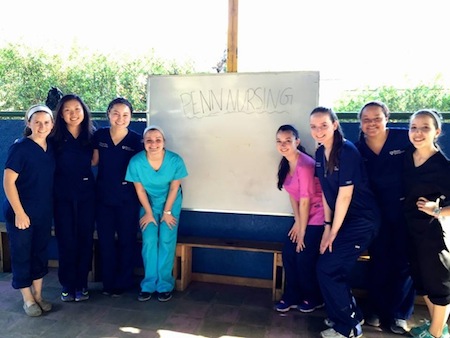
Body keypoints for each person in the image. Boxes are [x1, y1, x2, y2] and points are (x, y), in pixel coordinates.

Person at [309, 106, 380, 338]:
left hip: (362, 221)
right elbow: (328, 195)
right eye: (314, 127)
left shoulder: (347, 151)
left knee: (328, 268)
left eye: (324, 125)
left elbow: (345, 195)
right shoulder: (320, 154)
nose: (318, 131)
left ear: (335, 125)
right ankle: (351, 315)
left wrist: (333, 233)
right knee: (328, 267)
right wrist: (327, 227)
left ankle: (348, 328)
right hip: (341, 221)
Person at [355, 101, 415, 334]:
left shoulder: (405, 138)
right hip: (376, 215)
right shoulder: (358, 149)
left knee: (404, 263)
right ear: (360, 123)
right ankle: (377, 311)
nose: (371, 123)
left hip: (405, 211)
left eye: (376, 118)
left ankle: (400, 315)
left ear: (387, 118)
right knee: (379, 262)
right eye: (366, 119)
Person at [3, 104, 55, 316]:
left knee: (39, 252)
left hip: (43, 211)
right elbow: (8, 182)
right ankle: (27, 299)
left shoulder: (50, 148)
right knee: (22, 253)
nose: (42, 126)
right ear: (28, 124)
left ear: (52, 124)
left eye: (46, 122)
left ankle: (39, 295)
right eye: (37, 122)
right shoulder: (21, 148)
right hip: (21, 212)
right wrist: (19, 212)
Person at [125, 125, 188, 302]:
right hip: (148, 203)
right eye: (149, 140)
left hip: (171, 202)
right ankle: (148, 285)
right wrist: (149, 213)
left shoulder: (175, 160)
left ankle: (164, 285)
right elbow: (140, 190)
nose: (153, 144)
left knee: (167, 240)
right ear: (143, 142)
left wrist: (167, 211)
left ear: (164, 142)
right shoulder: (136, 162)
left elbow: (175, 187)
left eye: (158, 140)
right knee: (149, 240)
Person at [402, 109, 450, 338]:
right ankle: (437, 327)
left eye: (425, 127)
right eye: (414, 127)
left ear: (437, 132)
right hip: (411, 232)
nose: (418, 133)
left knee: (439, 286)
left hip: (432, 235)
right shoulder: (407, 157)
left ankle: (436, 334)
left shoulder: (442, 166)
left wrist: (438, 209)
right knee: (423, 282)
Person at [91, 97, 142, 296]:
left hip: (127, 198)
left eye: (125, 115)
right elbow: (93, 162)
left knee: (127, 240)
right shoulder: (99, 136)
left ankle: (124, 281)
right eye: (116, 113)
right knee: (105, 240)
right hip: (103, 197)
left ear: (131, 117)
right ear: (108, 114)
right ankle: (108, 283)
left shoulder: (136, 140)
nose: (120, 118)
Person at [273, 124, 325, 313]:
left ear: (297, 141)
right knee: (289, 253)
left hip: (317, 216)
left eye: (288, 140)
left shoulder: (304, 165)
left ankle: (313, 298)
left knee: (303, 256)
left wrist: (302, 231)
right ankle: (292, 296)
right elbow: (293, 195)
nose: (283, 145)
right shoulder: (287, 163)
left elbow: (306, 200)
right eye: (279, 141)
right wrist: (297, 222)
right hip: (302, 217)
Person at [50, 94, 96, 302]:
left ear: (84, 111)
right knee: (66, 239)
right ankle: (68, 285)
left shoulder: (92, 136)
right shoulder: (53, 137)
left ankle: (82, 285)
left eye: (77, 109)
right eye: (67, 110)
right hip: (62, 196)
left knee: (85, 238)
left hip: (87, 194)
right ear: (60, 113)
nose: (73, 114)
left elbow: (95, 162)